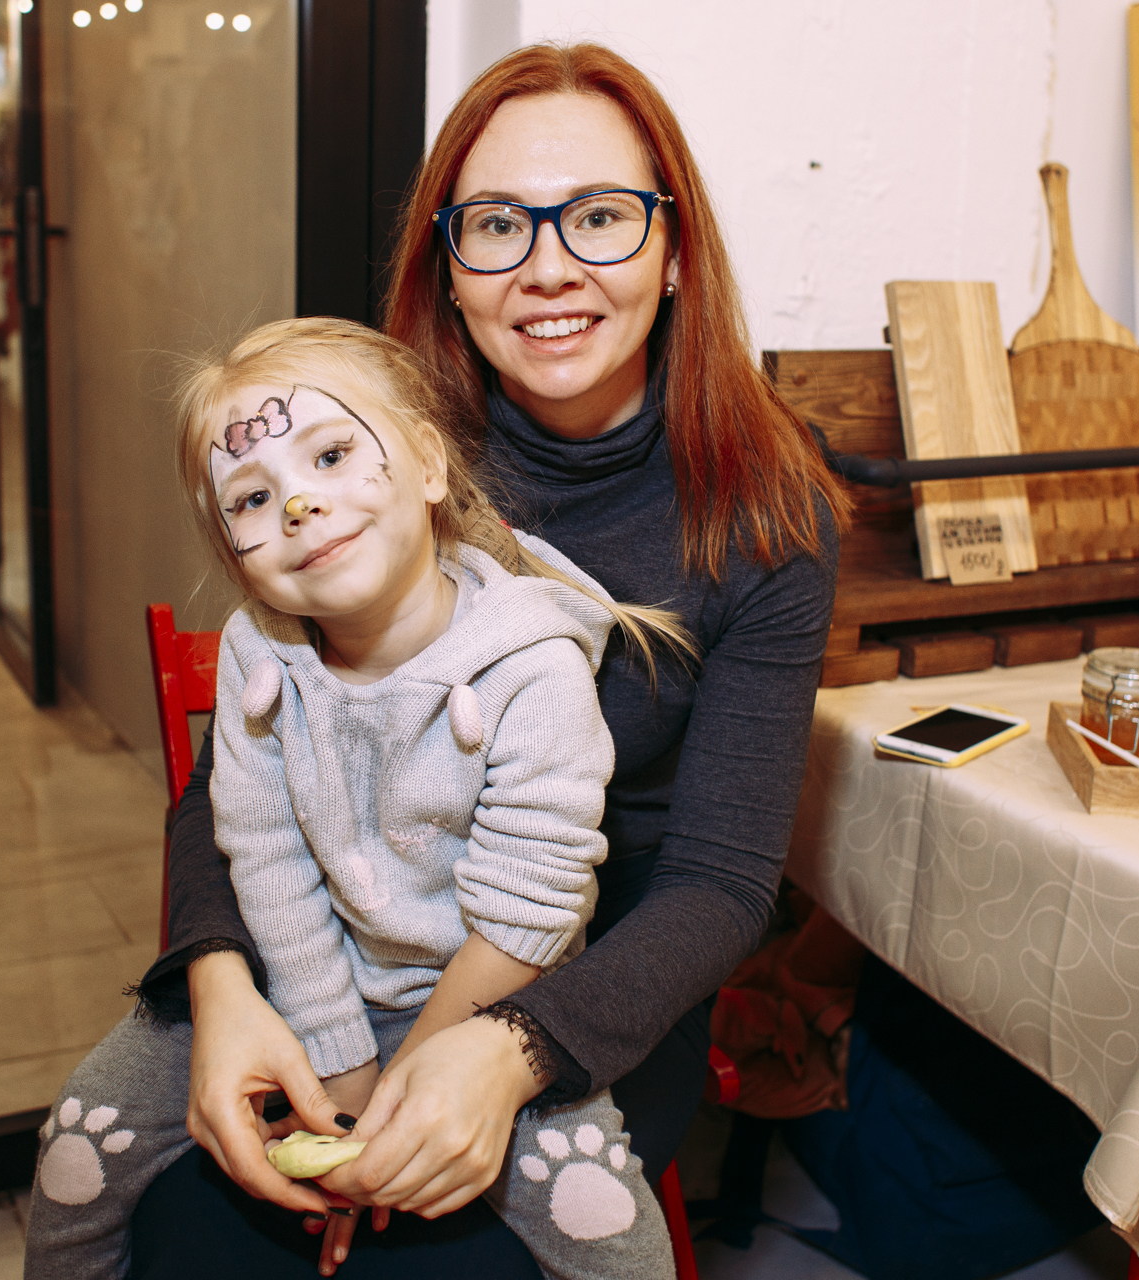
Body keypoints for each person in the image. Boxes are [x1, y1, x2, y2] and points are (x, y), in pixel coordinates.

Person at [106, 42, 849, 1277]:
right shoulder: (365, 451)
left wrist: (506, 1051)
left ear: (674, 249)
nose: (549, 265)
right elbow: (237, 771)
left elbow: (721, 883)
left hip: (593, 981)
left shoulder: (769, 516)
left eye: (600, 216)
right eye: (499, 224)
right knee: (188, 1230)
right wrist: (222, 985)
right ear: (448, 268)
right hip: (336, 956)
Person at [24, 316, 692, 1279]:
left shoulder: (534, 670)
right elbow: (266, 861)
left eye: (333, 455)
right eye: (253, 497)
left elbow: (529, 912)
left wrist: (403, 1096)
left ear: (428, 465)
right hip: (303, 981)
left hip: (491, 1010)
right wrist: (338, 1062)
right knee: (76, 1144)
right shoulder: (259, 656)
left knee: (607, 1227)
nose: (299, 503)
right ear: (234, 552)